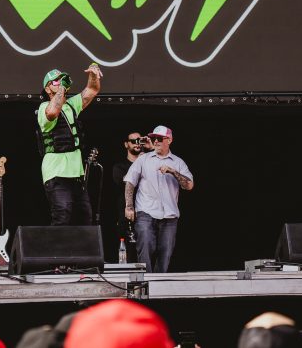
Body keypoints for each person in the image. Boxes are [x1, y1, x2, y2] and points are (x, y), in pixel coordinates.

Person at [37, 63, 103, 225]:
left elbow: (92, 90)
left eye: (62, 80)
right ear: (47, 89)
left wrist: (93, 74)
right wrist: (62, 88)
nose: (61, 83)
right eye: (56, 81)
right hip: (56, 173)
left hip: (77, 175)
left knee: (85, 218)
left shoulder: (71, 105)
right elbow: (52, 112)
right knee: (62, 215)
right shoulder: (44, 107)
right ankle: (55, 243)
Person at [123, 125, 194, 272]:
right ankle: (146, 280)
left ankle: (158, 280)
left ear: (169, 140)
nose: (156, 141)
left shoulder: (178, 162)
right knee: (145, 245)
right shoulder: (143, 159)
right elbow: (130, 182)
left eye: (160, 139)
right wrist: (129, 206)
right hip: (146, 211)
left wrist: (173, 172)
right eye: (154, 138)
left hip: (169, 215)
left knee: (165, 252)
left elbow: (189, 185)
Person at [112, 131, 150, 262]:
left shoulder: (148, 163)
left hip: (146, 210)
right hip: (127, 213)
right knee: (127, 248)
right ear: (126, 144)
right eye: (133, 141)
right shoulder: (119, 166)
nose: (137, 144)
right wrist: (139, 162)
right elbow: (125, 182)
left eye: (140, 140)